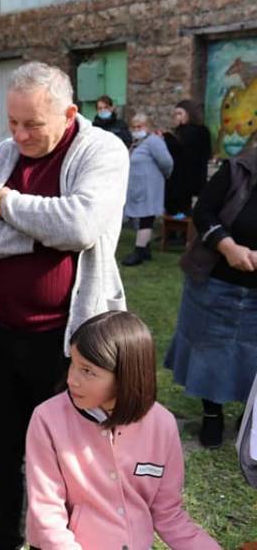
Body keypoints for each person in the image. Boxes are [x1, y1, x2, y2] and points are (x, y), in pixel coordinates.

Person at [0, 61, 129, 550]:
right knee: (2, 448)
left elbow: (79, 227)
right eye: (12, 122)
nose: (20, 134)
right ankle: (5, 538)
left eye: (33, 124)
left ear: (69, 113)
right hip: (0, 334)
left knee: (71, 456)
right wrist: (39, 239)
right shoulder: (3, 156)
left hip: (71, 342)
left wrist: (6, 205)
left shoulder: (103, 150)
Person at [25, 311, 221, 550]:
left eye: (88, 371)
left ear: (126, 377)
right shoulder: (47, 418)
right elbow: (47, 514)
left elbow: (169, 514)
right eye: (73, 365)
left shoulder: (162, 424)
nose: (72, 380)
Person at [164, 132, 257, 449]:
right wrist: (228, 247)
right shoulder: (236, 170)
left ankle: (249, 417)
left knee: (253, 356)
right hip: (216, 282)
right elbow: (203, 211)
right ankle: (212, 415)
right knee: (209, 351)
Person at [121, 113, 174, 266]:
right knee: (142, 217)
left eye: (140, 126)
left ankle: (139, 251)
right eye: (134, 127)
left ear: (148, 127)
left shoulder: (154, 142)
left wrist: (164, 176)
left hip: (150, 186)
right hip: (139, 187)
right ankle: (146, 250)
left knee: (146, 218)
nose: (137, 129)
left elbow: (166, 162)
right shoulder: (137, 143)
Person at [164, 99, 212, 217]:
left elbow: (182, 150)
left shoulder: (196, 131)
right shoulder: (184, 131)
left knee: (183, 209)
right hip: (180, 178)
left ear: (189, 114)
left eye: (180, 114)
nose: (177, 117)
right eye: (175, 114)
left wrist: (168, 138)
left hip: (187, 178)